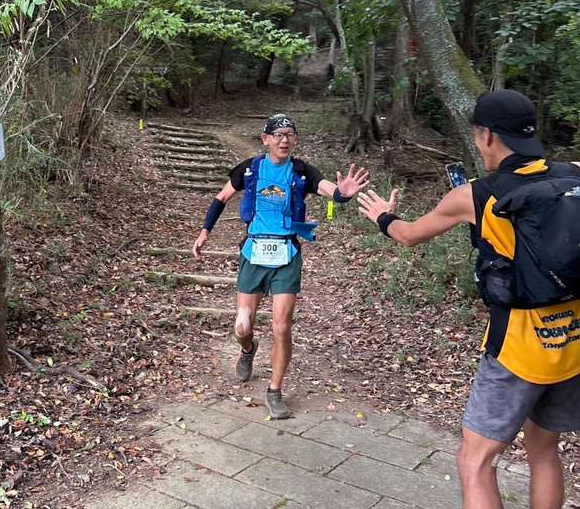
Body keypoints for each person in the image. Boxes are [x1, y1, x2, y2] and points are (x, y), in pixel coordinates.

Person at [357, 89, 580, 509]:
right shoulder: (574, 174)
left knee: (474, 461)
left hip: (517, 347)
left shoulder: (476, 195)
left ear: (487, 136)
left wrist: (383, 216)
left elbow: (408, 235)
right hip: (572, 341)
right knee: (544, 450)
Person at [192, 113, 369, 419]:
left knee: (282, 327)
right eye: (278, 134)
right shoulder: (250, 169)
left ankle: (274, 390)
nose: (284, 140)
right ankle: (248, 349)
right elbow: (221, 197)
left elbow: (330, 190)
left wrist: (343, 194)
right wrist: (205, 231)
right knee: (242, 325)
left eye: (289, 134)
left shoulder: (301, 171)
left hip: (286, 253)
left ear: (295, 140)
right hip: (254, 252)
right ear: (266, 139)